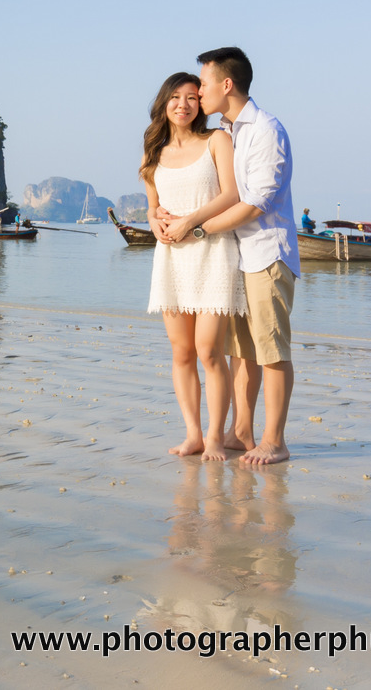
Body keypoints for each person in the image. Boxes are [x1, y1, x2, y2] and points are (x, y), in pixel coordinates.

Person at [158, 47, 300, 466]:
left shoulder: (266, 129)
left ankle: (274, 441)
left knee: (271, 349)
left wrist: (196, 228)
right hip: (235, 256)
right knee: (241, 351)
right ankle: (241, 433)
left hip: (266, 253)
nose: (198, 93)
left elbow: (255, 203)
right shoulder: (227, 129)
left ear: (226, 84)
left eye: (202, 85)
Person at [140, 71, 246, 461]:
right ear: (164, 102)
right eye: (175, 97)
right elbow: (153, 207)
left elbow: (232, 195)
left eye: (191, 97)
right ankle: (193, 434)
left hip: (213, 253)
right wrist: (154, 222)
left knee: (209, 351)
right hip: (172, 258)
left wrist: (190, 222)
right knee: (181, 351)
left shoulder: (217, 140)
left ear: (201, 103)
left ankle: (215, 437)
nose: (183, 104)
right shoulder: (153, 152)